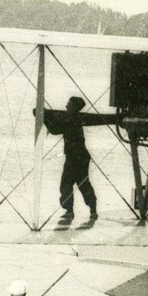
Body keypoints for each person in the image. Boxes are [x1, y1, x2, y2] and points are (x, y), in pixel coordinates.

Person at [45, 96, 99, 224]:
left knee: (66, 184)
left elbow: (54, 130)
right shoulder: (76, 119)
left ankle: (69, 211)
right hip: (82, 157)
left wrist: (45, 118)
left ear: (75, 107)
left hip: (74, 158)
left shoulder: (69, 119)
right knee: (83, 183)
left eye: (69, 105)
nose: (66, 106)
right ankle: (93, 210)